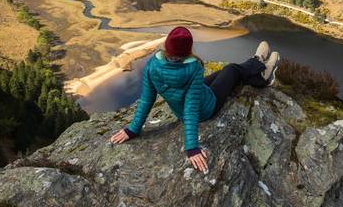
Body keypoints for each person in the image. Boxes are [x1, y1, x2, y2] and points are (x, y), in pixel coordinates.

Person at [110, 26, 281, 173]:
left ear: (167, 46)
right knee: (231, 70)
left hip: (182, 107)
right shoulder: (193, 67)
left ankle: (257, 65)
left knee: (222, 73)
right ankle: (262, 73)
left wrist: (133, 129)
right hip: (206, 109)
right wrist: (191, 147)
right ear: (188, 50)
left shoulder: (152, 65)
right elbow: (192, 108)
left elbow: (147, 99)